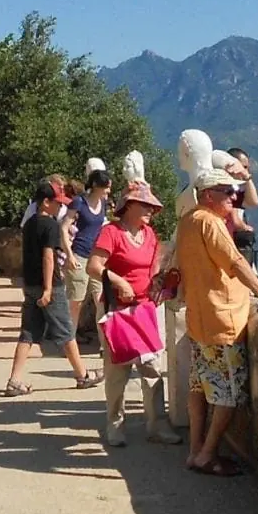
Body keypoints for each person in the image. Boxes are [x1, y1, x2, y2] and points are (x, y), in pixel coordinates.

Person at [175, 167, 258, 475]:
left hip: (199, 318)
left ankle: (194, 449)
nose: (235, 197)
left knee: (199, 386)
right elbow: (234, 262)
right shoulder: (211, 224)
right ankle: (208, 454)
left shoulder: (187, 221)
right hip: (223, 320)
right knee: (229, 393)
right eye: (228, 192)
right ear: (209, 195)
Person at [86, 180, 182, 447]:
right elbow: (93, 267)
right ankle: (114, 424)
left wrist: (162, 284)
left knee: (152, 368)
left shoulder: (149, 234)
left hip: (145, 309)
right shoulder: (112, 233)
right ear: (129, 206)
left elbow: (152, 268)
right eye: (146, 205)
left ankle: (157, 426)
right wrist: (119, 282)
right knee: (119, 370)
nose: (151, 210)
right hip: (118, 310)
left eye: (152, 206)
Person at [2, 178, 102, 397]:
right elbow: (48, 257)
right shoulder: (51, 226)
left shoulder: (29, 224)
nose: (60, 206)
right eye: (57, 203)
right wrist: (48, 289)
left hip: (30, 284)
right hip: (50, 285)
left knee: (28, 333)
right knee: (66, 331)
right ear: (46, 202)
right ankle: (83, 375)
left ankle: (14, 380)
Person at [65, 168, 112, 343]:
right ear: (96, 186)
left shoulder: (104, 205)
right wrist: (69, 255)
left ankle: (104, 345)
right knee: (76, 302)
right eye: (106, 187)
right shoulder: (79, 202)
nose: (108, 191)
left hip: (96, 258)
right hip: (79, 255)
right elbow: (64, 228)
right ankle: (69, 342)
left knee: (101, 300)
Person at [225, 147, 258, 256]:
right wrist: (245, 228)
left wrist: (247, 178)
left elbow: (253, 201)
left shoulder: (236, 188)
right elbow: (235, 220)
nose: (246, 170)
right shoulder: (228, 187)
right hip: (231, 243)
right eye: (244, 167)